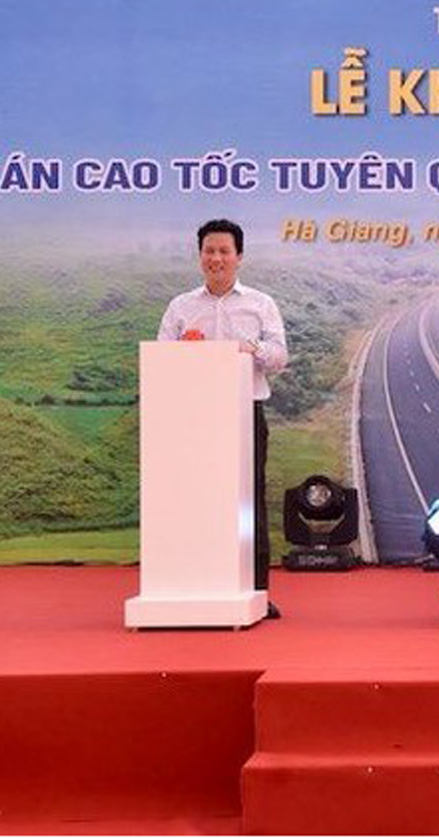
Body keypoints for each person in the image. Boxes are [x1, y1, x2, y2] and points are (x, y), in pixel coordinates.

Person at [158, 219, 288, 618]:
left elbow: (280, 357)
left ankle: (257, 591)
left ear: (239, 257)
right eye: (209, 251)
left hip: (244, 412)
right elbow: (162, 356)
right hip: (194, 419)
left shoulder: (260, 304)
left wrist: (252, 349)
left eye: (224, 252)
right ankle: (198, 584)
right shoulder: (181, 307)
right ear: (200, 256)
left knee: (249, 502)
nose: (216, 258)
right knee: (197, 499)